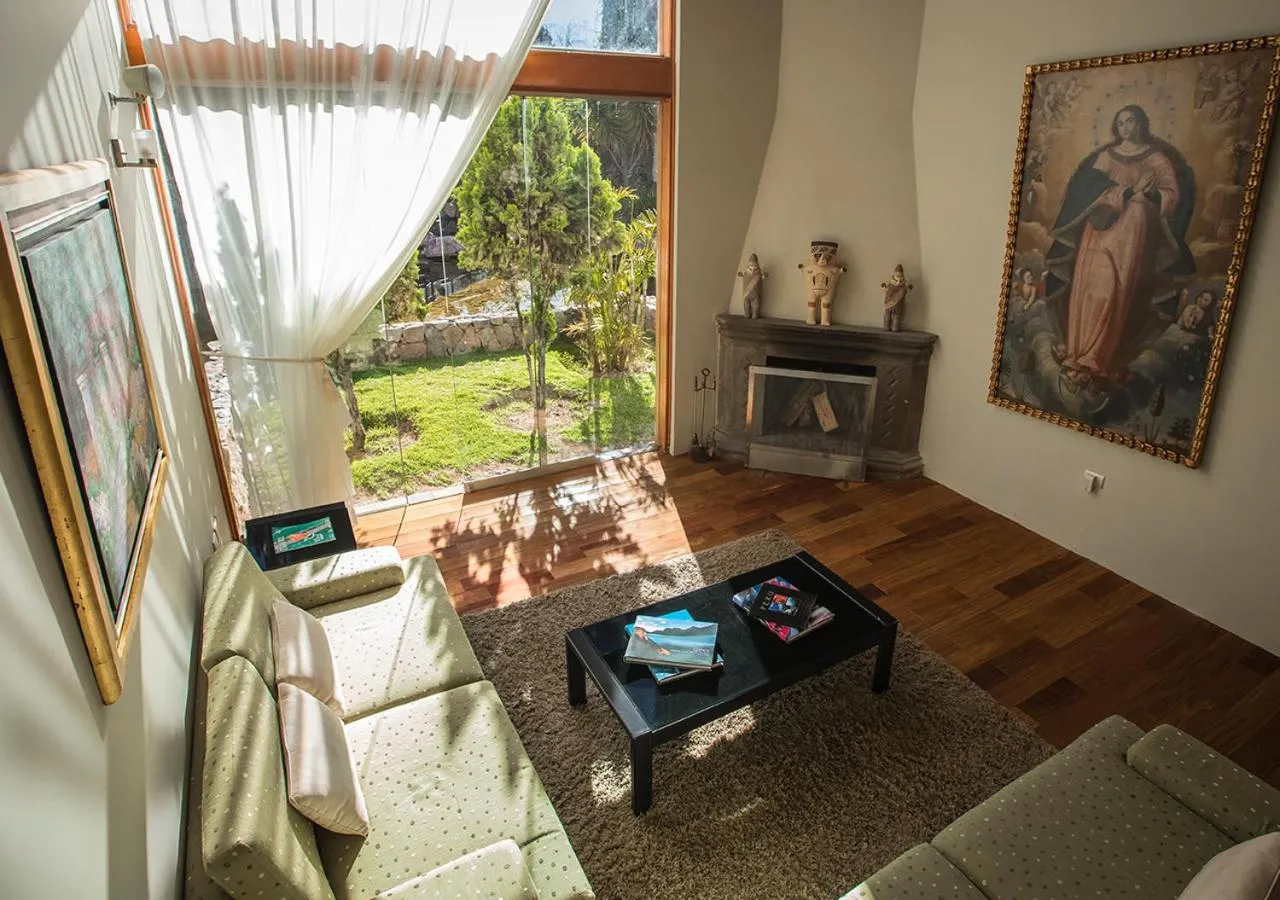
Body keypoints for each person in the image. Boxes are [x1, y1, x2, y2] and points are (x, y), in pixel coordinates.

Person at [1043, 104, 1195, 386]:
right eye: (1121, 122)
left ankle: (1095, 358)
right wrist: (1126, 191)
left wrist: (1150, 193)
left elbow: (1171, 195)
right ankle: (1076, 352)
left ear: (1141, 124)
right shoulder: (1106, 157)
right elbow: (1089, 189)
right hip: (1099, 230)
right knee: (1086, 286)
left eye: (1131, 121)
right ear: (1116, 126)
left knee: (1113, 290)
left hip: (1131, 234)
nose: (1126, 127)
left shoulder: (1156, 159)